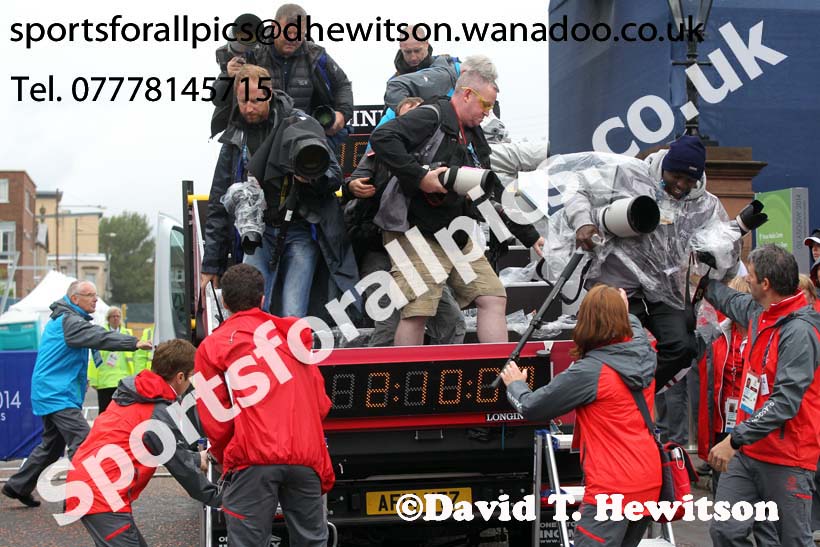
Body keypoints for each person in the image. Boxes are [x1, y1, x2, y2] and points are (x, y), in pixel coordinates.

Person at [369, 61, 544, 345]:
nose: (488, 114)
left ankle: (500, 379)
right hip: (414, 229)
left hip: (454, 233)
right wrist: (420, 177)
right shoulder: (432, 114)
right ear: (466, 95)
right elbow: (382, 137)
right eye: (485, 105)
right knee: (417, 311)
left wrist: (530, 234)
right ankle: (404, 384)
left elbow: (490, 188)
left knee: (493, 297)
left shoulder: (474, 135)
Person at [571, 135, 742, 389]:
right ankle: (608, 393)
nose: (680, 185)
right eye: (675, 176)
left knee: (682, 347)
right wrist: (583, 222)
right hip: (617, 283)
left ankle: (639, 392)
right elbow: (580, 190)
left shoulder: (706, 204)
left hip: (665, 288)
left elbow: (728, 248)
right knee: (614, 346)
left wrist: (717, 252)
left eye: (689, 180)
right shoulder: (628, 174)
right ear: (665, 166)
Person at [501, 284, 661, 547]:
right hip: (647, 481)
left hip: (612, 487)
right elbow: (636, 330)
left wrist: (516, 384)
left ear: (586, 321)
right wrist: (623, 309)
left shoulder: (591, 371)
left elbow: (532, 407)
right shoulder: (644, 351)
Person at [195, 264, 334, 547]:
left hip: (253, 457)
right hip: (306, 457)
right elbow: (321, 404)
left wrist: (226, 457)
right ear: (263, 298)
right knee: (312, 541)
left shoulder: (213, 347)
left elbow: (214, 418)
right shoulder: (292, 338)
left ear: (224, 302)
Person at [703, 245, 820, 546]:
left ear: (765, 284)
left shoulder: (799, 331)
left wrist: (735, 439)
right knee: (725, 530)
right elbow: (730, 299)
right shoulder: (760, 311)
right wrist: (700, 281)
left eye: (751, 276)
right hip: (748, 453)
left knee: (791, 540)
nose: (747, 280)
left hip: (787, 457)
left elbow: (784, 402)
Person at [1, 281, 152, 508]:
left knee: (51, 448)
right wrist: (135, 342)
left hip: (54, 392)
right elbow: (100, 337)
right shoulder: (70, 321)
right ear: (74, 299)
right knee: (84, 442)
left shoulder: (68, 319)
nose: (95, 299)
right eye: (89, 295)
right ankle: (76, 498)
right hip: (56, 394)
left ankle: (17, 485)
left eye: (95, 294)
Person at [67, 339, 221, 547]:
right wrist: (221, 500)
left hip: (90, 483)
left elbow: (159, 449)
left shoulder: (136, 392)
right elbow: (181, 467)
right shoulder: (156, 411)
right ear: (180, 376)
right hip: (101, 495)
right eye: (191, 376)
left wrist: (195, 458)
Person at [344, 96, 464, 346]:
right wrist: (351, 186)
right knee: (388, 322)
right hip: (379, 249)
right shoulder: (378, 153)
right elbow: (351, 184)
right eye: (404, 117)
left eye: (416, 116)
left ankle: (438, 379)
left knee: (452, 320)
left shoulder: (440, 156)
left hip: (419, 250)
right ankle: (380, 379)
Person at [210, 3, 353, 156]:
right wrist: (228, 77)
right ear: (274, 26)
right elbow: (218, 98)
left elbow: (342, 85)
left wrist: (342, 115)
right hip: (255, 139)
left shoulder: (315, 55)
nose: (293, 39)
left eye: (299, 34)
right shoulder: (252, 51)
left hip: (301, 139)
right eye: (288, 33)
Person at [86, 307, 134, 413]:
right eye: (113, 316)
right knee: (105, 412)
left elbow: (134, 359)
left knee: (122, 412)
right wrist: (93, 380)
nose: (116, 319)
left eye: (118, 316)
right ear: (108, 318)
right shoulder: (101, 334)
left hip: (123, 380)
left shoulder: (127, 333)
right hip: (105, 382)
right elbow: (95, 359)